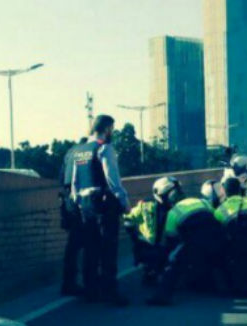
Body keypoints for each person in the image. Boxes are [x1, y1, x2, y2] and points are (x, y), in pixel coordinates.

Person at [68, 115, 130, 306]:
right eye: (112, 128)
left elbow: (74, 181)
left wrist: (78, 202)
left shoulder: (80, 151)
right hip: (103, 203)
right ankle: (110, 293)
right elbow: (112, 179)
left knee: (90, 249)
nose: (113, 132)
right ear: (107, 128)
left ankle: (90, 290)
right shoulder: (105, 147)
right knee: (108, 249)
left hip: (85, 204)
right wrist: (123, 200)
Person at [146, 181, 224, 306]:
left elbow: (171, 239)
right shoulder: (202, 201)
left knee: (174, 261)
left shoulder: (173, 212)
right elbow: (216, 217)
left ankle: (162, 296)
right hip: (217, 239)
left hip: (195, 242)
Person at [123, 177, 179, 285]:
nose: (175, 196)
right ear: (163, 193)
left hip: (164, 245)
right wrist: (136, 239)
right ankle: (152, 271)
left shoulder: (174, 208)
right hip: (149, 247)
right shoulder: (145, 206)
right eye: (172, 193)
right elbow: (129, 219)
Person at [59, 141, 85, 296]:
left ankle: (68, 282)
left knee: (72, 246)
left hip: (68, 202)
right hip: (82, 203)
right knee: (89, 243)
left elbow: (61, 178)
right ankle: (90, 282)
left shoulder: (69, 154)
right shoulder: (86, 154)